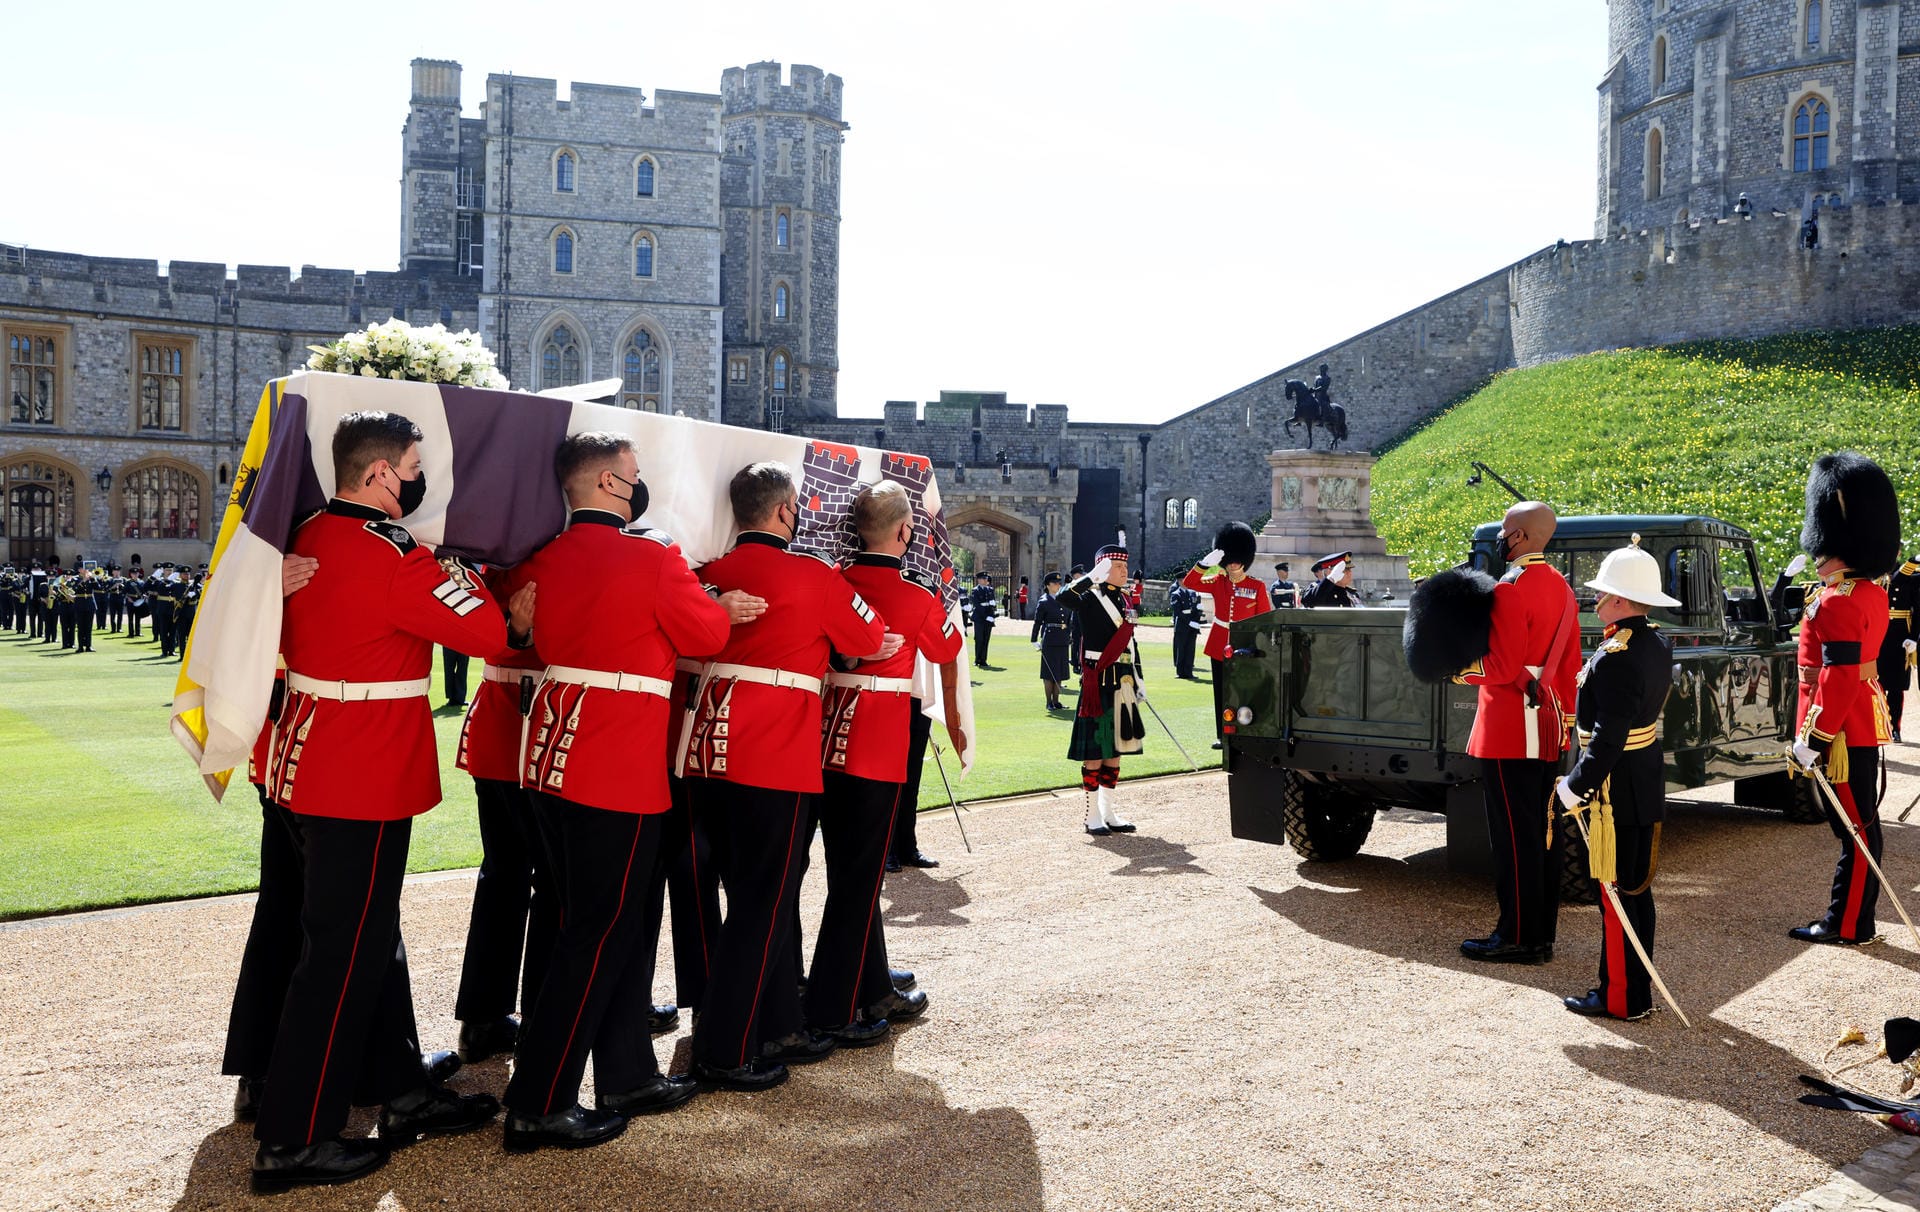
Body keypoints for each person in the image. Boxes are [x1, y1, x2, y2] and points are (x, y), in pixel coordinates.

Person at [245, 410, 512, 1193]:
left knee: (364, 935)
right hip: (358, 776)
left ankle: (397, 1088)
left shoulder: (307, 538)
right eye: (416, 464)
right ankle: (294, 1138)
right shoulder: (396, 557)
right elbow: (491, 635)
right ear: (383, 473)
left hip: (304, 763)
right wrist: (451, 566)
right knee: (339, 954)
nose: (422, 478)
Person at [505, 432, 737, 1151]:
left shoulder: (539, 559)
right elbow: (711, 630)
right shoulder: (651, 556)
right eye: (634, 477)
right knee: (598, 933)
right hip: (616, 766)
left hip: (550, 759)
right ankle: (539, 1099)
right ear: (608, 483)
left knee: (600, 925)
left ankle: (628, 1072)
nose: (640, 488)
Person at [681, 462, 891, 1091]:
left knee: (732, 897)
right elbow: (871, 635)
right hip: (773, 754)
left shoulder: (708, 574)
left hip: (704, 750)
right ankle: (728, 1047)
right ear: (781, 514)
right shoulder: (814, 575)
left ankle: (769, 1019)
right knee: (763, 904)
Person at [808, 481, 964, 1045]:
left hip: (822, 740)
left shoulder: (835, 582)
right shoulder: (914, 594)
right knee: (858, 879)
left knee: (852, 875)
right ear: (905, 532)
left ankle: (871, 983)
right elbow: (947, 649)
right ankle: (835, 1002)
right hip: (874, 745)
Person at [1553, 540, 1678, 1021]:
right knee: (1633, 892)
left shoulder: (1617, 656)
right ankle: (1632, 992)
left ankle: (1622, 998)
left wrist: (1574, 785)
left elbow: (1607, 739)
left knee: (1617, 897)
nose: (1597, 600)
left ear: (1622, 601)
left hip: (1613, 790)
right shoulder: (1653, 643)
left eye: (1604, 594)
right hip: (1640, 780)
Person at [1454, 501, 1581, 965]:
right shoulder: (1562, 587)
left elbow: (1502, 667)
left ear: (1521, 537)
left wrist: (1458, 670)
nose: (1501, 539)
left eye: (1506, 531)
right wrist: (1562, 721)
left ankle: (1517, 936)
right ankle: (1539, 934)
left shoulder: (1511, 587)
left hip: (1510, 728)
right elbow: (1569, 666)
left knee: (1513, 840)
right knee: (1542, 837)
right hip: (1548, 724)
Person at [1787, 452, 1901, 946]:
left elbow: (1837, 674)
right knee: (1860, 826)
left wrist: (1813, 736)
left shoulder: (1836, 599)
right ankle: (1853, 919)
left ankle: (1849, 922)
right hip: (1857, 722)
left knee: (1854, 831)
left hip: (1837, 728)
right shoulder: (1869, 592)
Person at [449, 566, 556, 1067]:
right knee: (546, 881)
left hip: (502, 728)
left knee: (504, 877)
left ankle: (485, 1016)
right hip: (531, 732)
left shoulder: (497, 561)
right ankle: (541, 1016)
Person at [1058, 543, 1144, 835]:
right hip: (1098, 682)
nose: (1125, 572)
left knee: (1115, 751)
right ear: (1104, 569)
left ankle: (1109, 811)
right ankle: (1091, 813)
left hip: (1122, 682)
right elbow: (1062, 597)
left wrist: (1139, 681)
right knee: (1095, 751)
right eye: (1118, 567)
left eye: (1124, 567)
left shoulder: (1125, 600)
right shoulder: (1089, 597)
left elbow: (1131, 645)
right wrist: (1090, 577)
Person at [1182, 523, 1273, 748]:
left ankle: (1247, 730)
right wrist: (1204, 564)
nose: (1233, 563)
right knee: (1221, 692)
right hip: (1219, 642)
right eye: (1229, 558)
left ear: (1245, 558)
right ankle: (1222, 735)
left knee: (1245, 691)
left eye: (1237, 558)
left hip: (1246, 645)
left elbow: (1265, 621)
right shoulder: (1217, 582)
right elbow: (1189, 582)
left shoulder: (1256, 586)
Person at [1880, 554, 1919, 743]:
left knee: (1896, 687)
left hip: (1899, 636)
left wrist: (1914, 638)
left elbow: (1918, 610)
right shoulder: (1873, 576)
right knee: (1876, 684)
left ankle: (1895, 727)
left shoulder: (1910, 576)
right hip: (1877, 636)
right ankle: (1880, 726)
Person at [1031, 571, 1073, 709]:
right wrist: (1034, 639)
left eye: (1059, 583)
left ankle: (1056, 701)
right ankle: (1049, 702)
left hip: (1062, 638)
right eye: (1055, 583)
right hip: (1050, 639)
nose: (1058, 585)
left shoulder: (1064, 598)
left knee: (1059, 672)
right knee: (1049, 673)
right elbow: (1037, 621)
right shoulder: (1044, 601)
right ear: (1048, 585)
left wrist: (1069, 634)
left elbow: (1068, 619)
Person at [1167, 579, 1203, 680]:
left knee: (1190, 650)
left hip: (1192, 626)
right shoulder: (1176, 594)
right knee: (1181, 649)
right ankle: (1181, 672)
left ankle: (1189, 671)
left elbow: (1195, 608)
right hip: (1182, 626)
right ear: (1179, 581)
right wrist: (1189, 622)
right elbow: (1178, 612)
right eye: (1183, 579)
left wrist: (1196, 619)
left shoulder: (1192, 593)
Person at [968, 571, 997, 667]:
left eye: (986, 579)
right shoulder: (975, 590)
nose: (986, 580)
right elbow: (977, 605)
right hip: (980, 618)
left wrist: (992, 613)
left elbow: (992, 604)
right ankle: (977, 659)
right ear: (979, 580)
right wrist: (986, 616)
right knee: (979, 639)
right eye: (984, 579)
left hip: (988, 618)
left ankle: (984, 660)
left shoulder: (990, 590)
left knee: (986, 639)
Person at [442, 645, 470, 710]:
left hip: (464, 643)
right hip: (448, 642)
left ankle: (460, 698)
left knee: (462, 670)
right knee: (449, 670)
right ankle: (451, 698)